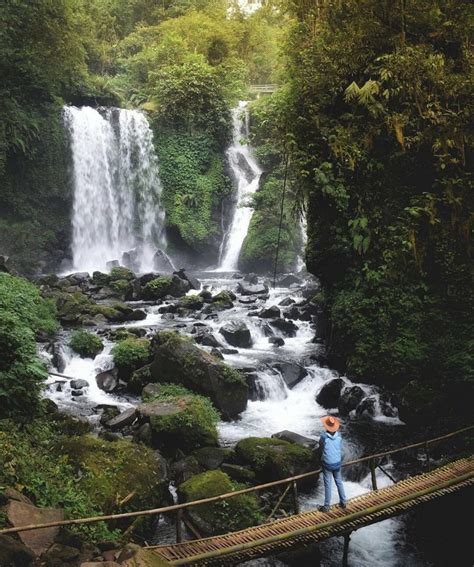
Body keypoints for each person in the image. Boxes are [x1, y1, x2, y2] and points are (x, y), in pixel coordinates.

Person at [317, 415, 347, 512]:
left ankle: (326, 506)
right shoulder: (339, 436)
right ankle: (343, 502)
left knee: (328, 484)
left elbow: (320, 447)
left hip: (328, 464)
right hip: (337, 462)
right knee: (339, 482)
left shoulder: (324, 437)